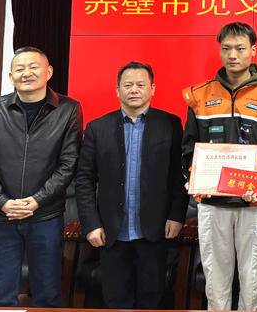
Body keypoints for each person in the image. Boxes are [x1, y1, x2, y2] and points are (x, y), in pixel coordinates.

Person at [182, 22, 257, 311]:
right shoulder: (200, 95)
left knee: (252, 279)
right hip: (212, 202)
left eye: (240, 48)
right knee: (214, 279)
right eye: (226, 48)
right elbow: (189, 147)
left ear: (253, 50)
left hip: (254, 203)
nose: (232, 55)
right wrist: (192, 176)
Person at [0, 46, 83, 307]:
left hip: (45, 216)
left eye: (33, 67)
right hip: (1, 216)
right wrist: (4, 202)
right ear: (11, 76)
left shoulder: (68, 109)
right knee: (0, 295)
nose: (26, 73)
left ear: (48, 72)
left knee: (48, 294)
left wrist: (36, 201)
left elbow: (69, 163)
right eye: (19, 69)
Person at [75, 61, 188, 309]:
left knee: (152, 300)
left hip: (155, 230)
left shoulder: (170, 124)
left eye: (140, 84)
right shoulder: (97, 128)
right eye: (127, 85)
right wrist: (91, 224)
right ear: (117, 90)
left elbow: (178, 177)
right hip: (111, 232)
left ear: (152, 89)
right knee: (116, 301)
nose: (134, 90)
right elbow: (84, 180)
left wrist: (176, 215)